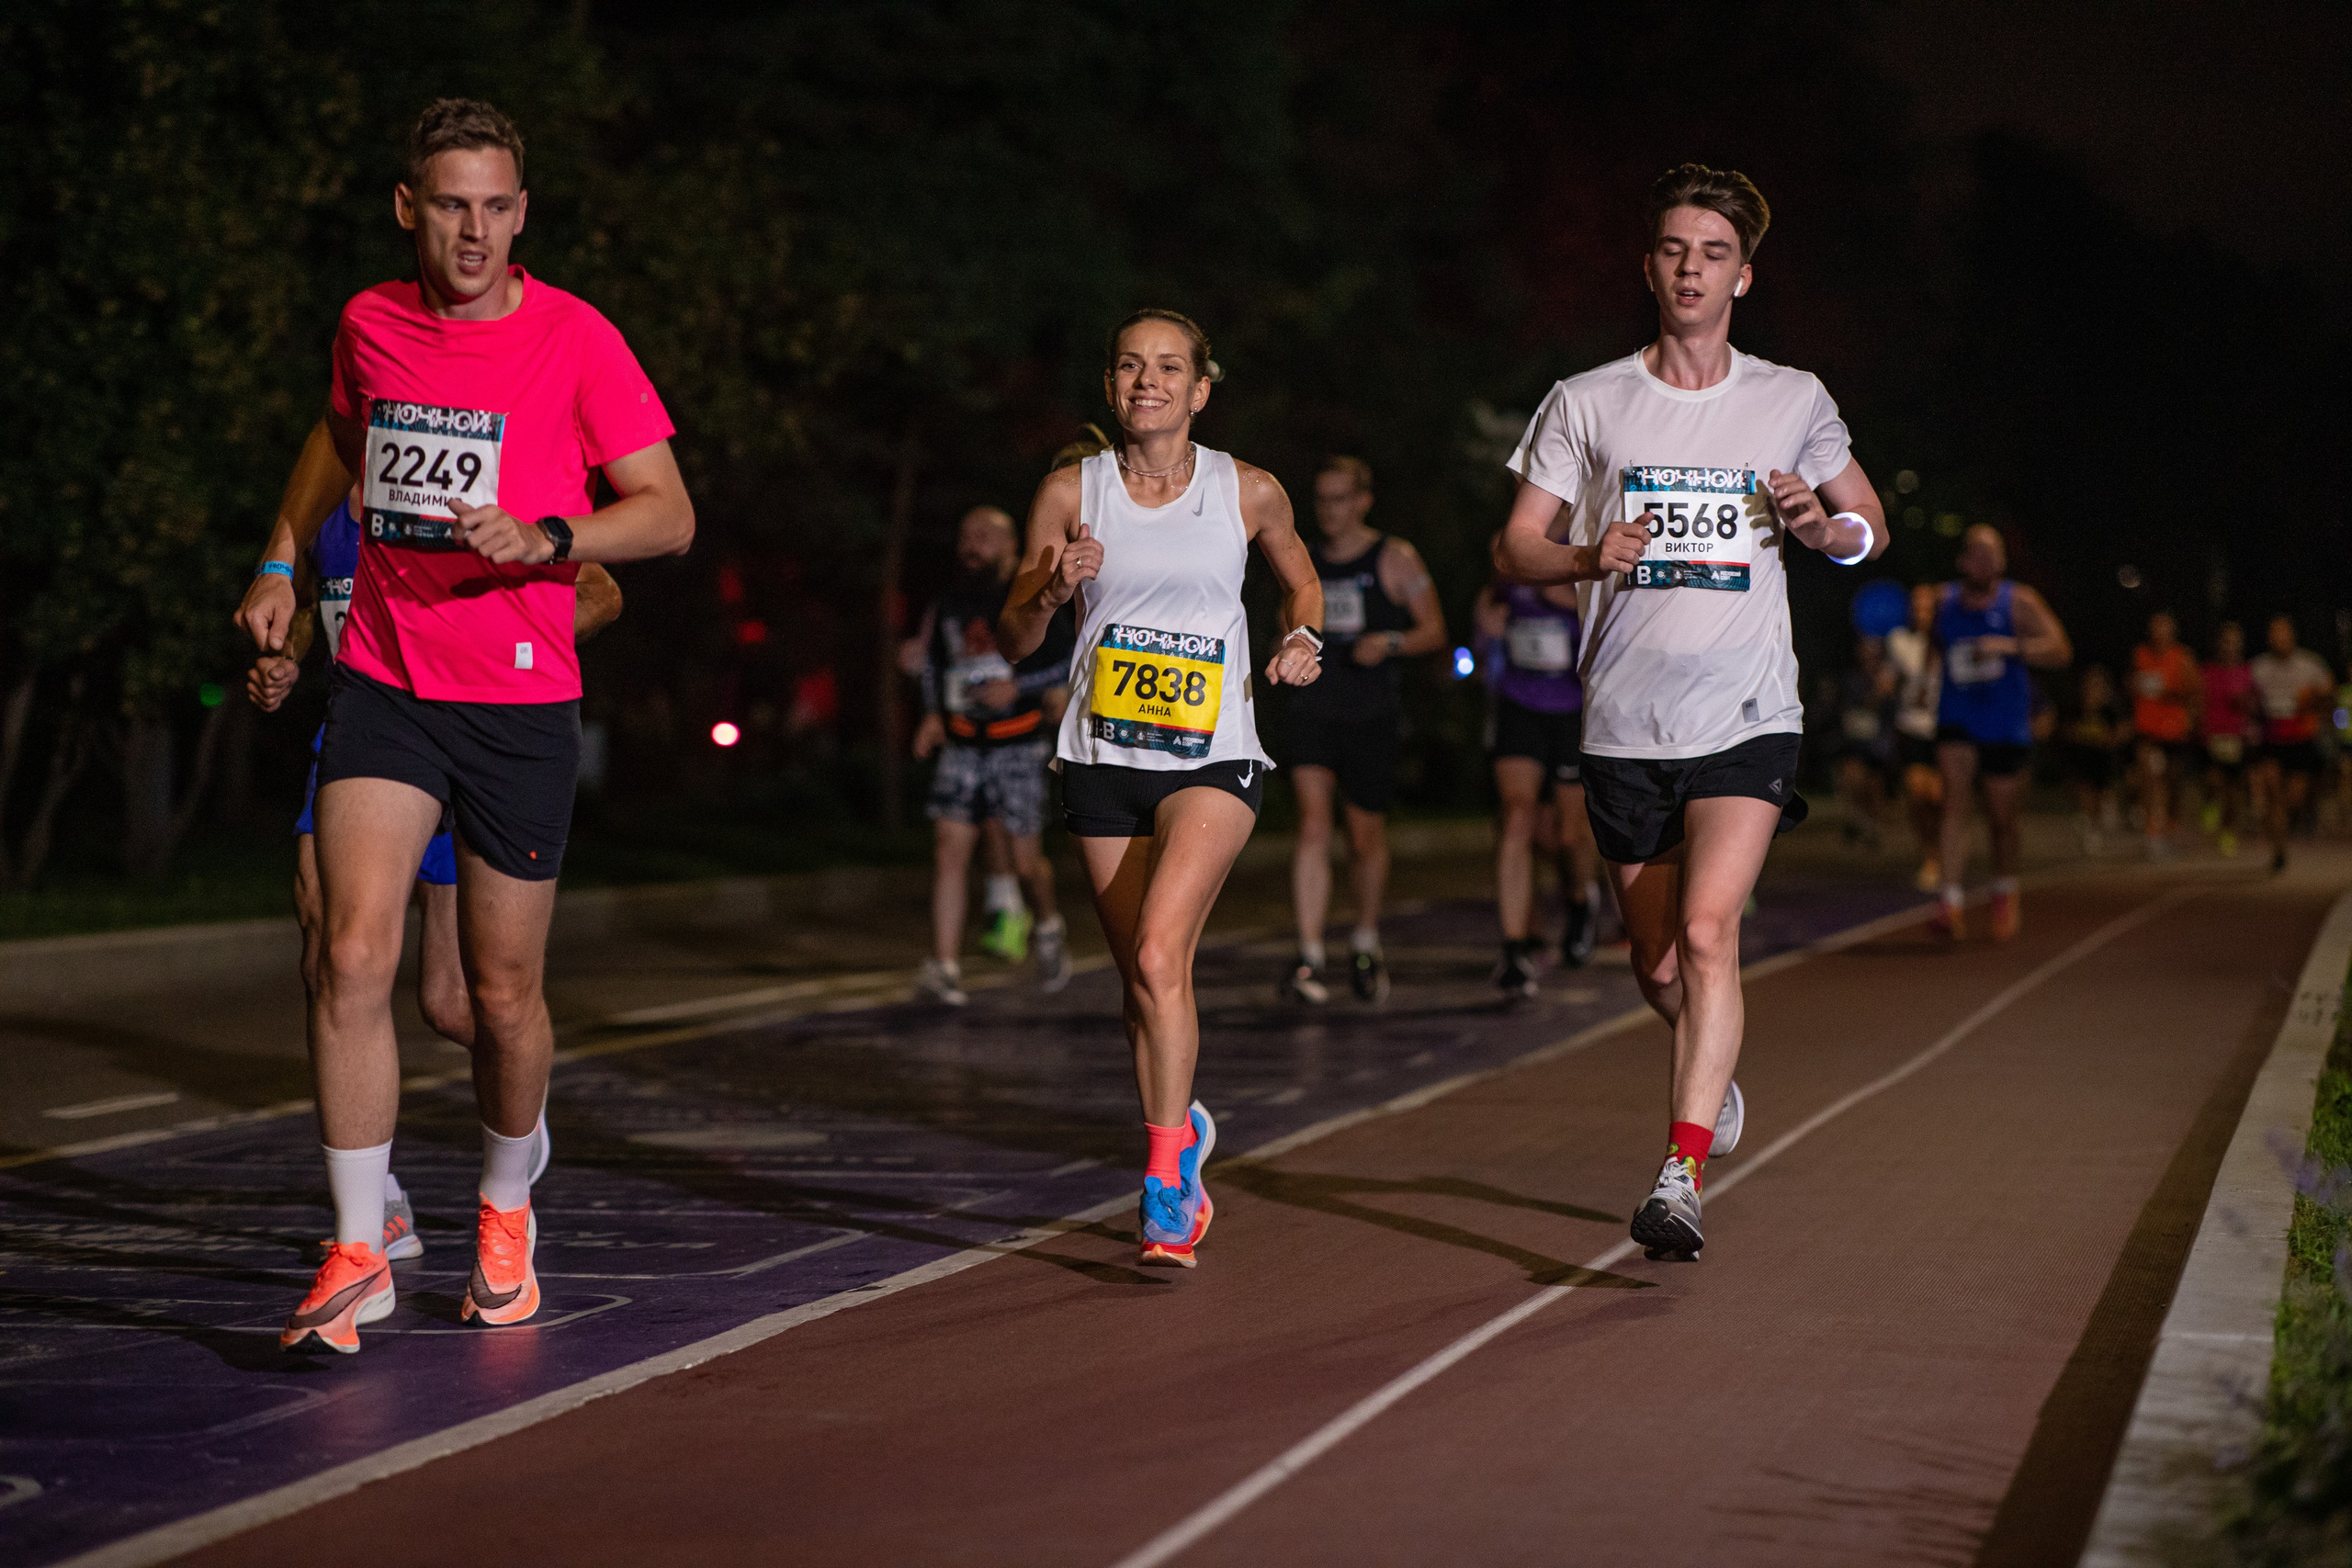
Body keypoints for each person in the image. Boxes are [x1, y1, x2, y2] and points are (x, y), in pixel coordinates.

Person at [235, 99, 693, 1352]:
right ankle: (354, 1243)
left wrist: (553, 536)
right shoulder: (371, 325)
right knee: (352, 951)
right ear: (409, 208)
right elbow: (338, 442)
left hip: (521, 699)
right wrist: (281, 558)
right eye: (451, 204)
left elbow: (667, 513)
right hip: (384, 680)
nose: (475, 229)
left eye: (496, 206)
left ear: (523, 213)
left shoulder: (578, 337)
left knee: (496, 996)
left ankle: (503, 1205)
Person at [1495, 164, 1887, 1261]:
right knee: (1658, 968)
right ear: (1649, 264)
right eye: (1673, 249)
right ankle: (1714, 1081)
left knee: (1711, 936)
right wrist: (1582, 553)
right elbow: (1513, 545)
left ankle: (1678, 1173)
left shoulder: (1790, 397)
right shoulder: (1587, 399)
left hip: (1748, 710)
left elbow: (1870, 532)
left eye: (1712, 254)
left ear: (1743, 276)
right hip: (1623, 720)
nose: (1690, 268)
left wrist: (1819, 529)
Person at [999, 309, 1322, 1269]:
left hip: (1211, 759)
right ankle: (1179, 1119)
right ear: (1110, 387)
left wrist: (1302, 637)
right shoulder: (1070, 492)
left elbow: (1302, 586)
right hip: (1102, 759)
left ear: (1199, 389)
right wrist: (1053, 594)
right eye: (1131, 366)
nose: (1149, 381)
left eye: (1169, 367)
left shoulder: (1246, 488)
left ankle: (1164, 1182)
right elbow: (1014, 634)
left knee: (1156, 951)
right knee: (1141, 990)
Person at [246, 483, 622, 1253]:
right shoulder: (320, 507)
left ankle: (515, 1095)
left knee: (454, 1002)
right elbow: (315, 608)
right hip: (365, 739)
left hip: (464, 735)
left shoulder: (463, 475)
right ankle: (376, 1204)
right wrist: (285, 660)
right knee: (331, 954)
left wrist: (507, 647)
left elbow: (603, 592)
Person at [1281, 456, 1445, 1005]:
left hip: (1370, 713)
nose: (1329, 510)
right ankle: (1308, 954)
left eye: (1340, 498)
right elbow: (1288, 623)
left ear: (1363, 501)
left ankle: (1365, 939)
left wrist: (1390, 642)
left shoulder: (1394, 558)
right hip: (1312, 708)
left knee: (1363, 835)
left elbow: (1434, 631)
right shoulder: (1301, 559)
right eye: (1321, 499)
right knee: (1311, 824)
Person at [908, 504, 1076, 1003]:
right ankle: (944, 966)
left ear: (1009, 545)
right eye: (965, 534)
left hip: (1018, 743)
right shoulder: (949, 601)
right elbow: (934, 663)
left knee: (1026, 862)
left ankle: (1047, 927)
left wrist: (1020, 686)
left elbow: (1069, 660)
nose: (971, 543)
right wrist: (932, 714)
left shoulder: (1030, 597)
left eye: (983, 535)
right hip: (963, 742)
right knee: (949, 850)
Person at [1928, 525, 2072, 941]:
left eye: (1993, 554)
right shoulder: (1944, 601)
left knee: (2002, 819)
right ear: (1962, 560)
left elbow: (2061, 649)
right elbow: (1934, 647)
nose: (1985, 561)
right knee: (1953, 805)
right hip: (1956, 717)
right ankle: (1949, 902)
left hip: (2005, 723)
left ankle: (2005, 887)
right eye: (1977, 553)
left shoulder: (2019, 602)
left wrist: (2007, 646)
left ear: (2003, 562)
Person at [1472, 558, 1598, 996]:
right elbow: (1484, 635)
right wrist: (1487, 629)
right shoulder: (1510, 559)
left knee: (1569, 834)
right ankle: (1513, 947)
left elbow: (1608, 623)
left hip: (1570, 710)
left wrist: (1560, 595)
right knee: (1516, 817)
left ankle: (1580, 904)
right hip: (1518, 706)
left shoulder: (1582, 547)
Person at [2250, 615, 2334, 874]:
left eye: (2284, 634)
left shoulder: (2310, 665)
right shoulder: (2258, 667)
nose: (2279, 640)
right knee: (2273, 793)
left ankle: (2287, 824)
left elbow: (2329, 696)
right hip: (2272, 740)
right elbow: (2249, 701)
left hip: (2301, 741)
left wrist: (2317, 702)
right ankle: (2278, 852)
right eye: (2274, 635)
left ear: (2292, 637)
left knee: (2293, 799)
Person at [1885, 583, 1944, 889]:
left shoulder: (1948, 642)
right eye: (1917, 606)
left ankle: (1942, 849)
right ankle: (1930, 856)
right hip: (1911, 727)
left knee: (1938, 797)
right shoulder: (1900, 640)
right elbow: (1908, 672)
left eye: (1929, 607)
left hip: (1942, 728)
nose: (1923, 612)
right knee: (1917, 795)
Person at [2130, 610, 2201, 858]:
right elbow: (2130, 684)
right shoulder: (2140, 654)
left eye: (2164, 630)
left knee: (2172, 782)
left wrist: (2174, 697)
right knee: (2150, 778)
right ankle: (2153, 831)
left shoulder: (2182, 657)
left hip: (2174, 731)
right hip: (2147, 731)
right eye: (2155, 630)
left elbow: (2194, 692)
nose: (2159, 635)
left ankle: (2171, 820)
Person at [1829, 634, 1896, 850]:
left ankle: (1873, 830)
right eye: (1866, 651)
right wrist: (1877, 694)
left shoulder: (1891, 681)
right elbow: (1853, 715)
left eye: (1875, 652)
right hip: (1855, 745)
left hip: (1880, 747)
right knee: (1852, 779)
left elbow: (1893, 717)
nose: (1870, 657)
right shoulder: (1852, 681)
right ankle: (1860, 825)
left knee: (1875, 786)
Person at [2199, 622, 2256, 859]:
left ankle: (2228, 831)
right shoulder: (2207, 671)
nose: (2231, 647)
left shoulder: (2247, 672)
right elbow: (2198, 701)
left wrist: (2245, 703)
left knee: (2233, 793)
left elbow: (2253, 705)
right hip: (2211, 737)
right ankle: (2210, 805)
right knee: (2213, 782)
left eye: (2235, 642)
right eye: (2226, 642)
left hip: (2237, 738)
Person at [2058, 665, 2129, 852]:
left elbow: (2121, 730)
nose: (2093, 688)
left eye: (2098, 684)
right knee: (2084, 792)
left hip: (2102, 759)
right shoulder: (2076, 706)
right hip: (2081, 757)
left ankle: (2099, 817)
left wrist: (2108, 738)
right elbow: (2065, 729)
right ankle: (2088, 826)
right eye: (2089, 684)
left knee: (2099, 794)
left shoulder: (2110, 709)